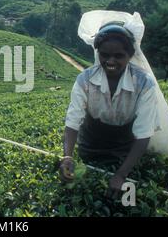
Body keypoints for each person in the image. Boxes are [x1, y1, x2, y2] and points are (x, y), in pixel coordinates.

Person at [59, 22, 159, 197]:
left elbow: (143, 135)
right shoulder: (85, 80)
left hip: (125, 150)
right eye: (104, 55)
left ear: (130, 55)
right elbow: (73, 122)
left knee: (123, 197)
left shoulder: (144, 84)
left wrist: (121, 174)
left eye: (118, 56)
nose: (110, 61)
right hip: (90, 146)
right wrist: (67, 157)